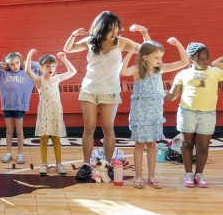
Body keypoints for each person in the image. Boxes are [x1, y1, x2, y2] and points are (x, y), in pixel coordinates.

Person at [64, 11, 150, 180]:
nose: (114, 33)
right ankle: (86, 164)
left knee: (107, 128)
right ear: (101, 29)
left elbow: (148, 50)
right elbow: (67, 49)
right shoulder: (90, 41)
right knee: (89, 128)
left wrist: (144, 32)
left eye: (116, 28)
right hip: (89, 89)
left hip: (110, 90)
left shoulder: (121, 42)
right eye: (111, 29)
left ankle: (108, 164)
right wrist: (74, 34)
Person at [120, 38, 190, 189]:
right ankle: (138, 175)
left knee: (152, 144)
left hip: (155, 113)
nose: (160, 60)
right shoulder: (138, 70)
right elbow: (123, 71)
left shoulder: (160, 69)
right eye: (156, 57)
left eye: (161, 57)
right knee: (140, 144)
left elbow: (184, 61)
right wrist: (131, 52)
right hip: (140, 112)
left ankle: (152, 176)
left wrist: (178, 43)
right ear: (145, 57)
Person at [167, 42, 223, 188]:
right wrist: (155, 89)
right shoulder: (183, 74)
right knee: (187, 144)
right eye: (201, 58)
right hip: (187, 113)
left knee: (203, 147)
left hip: (208, 114)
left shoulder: (216, 72)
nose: (206, 61)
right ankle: (188, 174)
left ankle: (199, 173)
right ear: (191, 59)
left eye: (207, 57)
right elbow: (172, 96)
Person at [25, 50, 77, 175]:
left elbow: (73, 71)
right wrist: (30, 55)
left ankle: (59, 163)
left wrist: (64, 59)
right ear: (41, 67)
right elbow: (27, 70)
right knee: (43, 140)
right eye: (48, 66)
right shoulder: (39, 80)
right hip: (45, 113)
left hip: (55, 113)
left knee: (56, 140)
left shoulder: (57, 79)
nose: (51, 68)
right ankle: (44, 164)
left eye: (53, 66)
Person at [0, 52, 40, 164]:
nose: (15, 66)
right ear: (7, 65)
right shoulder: (1, 75)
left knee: (19, 130)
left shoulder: (28, 73)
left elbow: (40, 67)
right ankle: (8, 153)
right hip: (7, 106)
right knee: (9, 130)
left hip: (20, 106)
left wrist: (28, 63)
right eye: (12, 64)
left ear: (20, 62)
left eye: (17, 63)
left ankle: (20, 154)